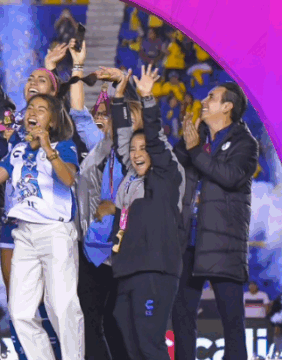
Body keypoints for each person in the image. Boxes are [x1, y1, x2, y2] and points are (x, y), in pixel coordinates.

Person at [0, 93, 84, 360]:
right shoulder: (18, 149)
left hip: (55, 232)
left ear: (53, 120)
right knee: (20, 311)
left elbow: (68, 179)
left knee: (61, 306)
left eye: (41, 109)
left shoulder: (64, 145)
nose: (32, 111)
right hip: (24, 233)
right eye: (30, 107)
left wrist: (49, 149)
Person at [101, 66, 185, 360]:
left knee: (150, 345)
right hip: (127, 271)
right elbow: (124, 142)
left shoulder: (166, 176)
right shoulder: (130, 179)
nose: (137, 153)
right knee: (133, 349)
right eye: (134, 149)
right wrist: (119, 99)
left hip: (154, 269)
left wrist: (147, 99)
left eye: (143, 148)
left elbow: (157, 145)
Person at [170, 83, 257, 360]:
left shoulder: (245, 143)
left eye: (211, 97)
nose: (204, 101)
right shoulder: (199, 138)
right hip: (189, 240)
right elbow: (173, 167)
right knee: (181, 316)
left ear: (227, 106)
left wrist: (195, 150)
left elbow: (230, 176)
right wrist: (185, 142)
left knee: (232, 322)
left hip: (222, 242)